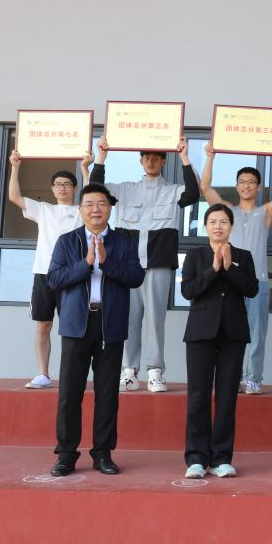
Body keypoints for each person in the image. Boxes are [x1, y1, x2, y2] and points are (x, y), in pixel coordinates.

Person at [46, 183, 145, 476]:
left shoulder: (124, 241)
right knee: (69, 394)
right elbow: (54, 279)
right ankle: (66, 454)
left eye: (101, 204)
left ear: (110, 208)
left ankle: (103, 453)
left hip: (110, 325)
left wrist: (107, 262)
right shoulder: (67, 241)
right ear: (81, 210)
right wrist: (87, 263)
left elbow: (136, 277)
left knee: (107, 395)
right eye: (89, 204)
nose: (95, 209)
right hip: (76, 325)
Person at [91, 136, 200, 393]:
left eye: (155, 158)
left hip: (158, 265)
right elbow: (96, 188)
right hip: (127, 267)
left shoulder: (173, 191)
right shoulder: (125, 189)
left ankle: (155, 371)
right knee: (128, 319)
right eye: (146, 158)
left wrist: (184, 157)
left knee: (156, 320)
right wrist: (102, 157)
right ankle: (129, 371)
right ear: (140, 161)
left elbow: (193, 193)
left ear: (163, 162)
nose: (150, 162)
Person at [201, 145, 272, 395]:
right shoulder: (227, 212)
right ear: (236, 186)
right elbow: (206, 188)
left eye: (251, 182)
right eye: (242, 182)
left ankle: (253, 379)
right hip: (228, 281)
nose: (246, 186)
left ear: (258, 187)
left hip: (257, 281)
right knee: (225, 331)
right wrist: (210, 157)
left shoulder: (265, 213)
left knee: (256, 333)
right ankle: (228, 378)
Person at [179, 204, 259, 479]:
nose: (218, 226)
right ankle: (196, 458)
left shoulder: (243, 256)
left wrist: (229, 267)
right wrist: (214, 269)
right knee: (198, 396)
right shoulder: (195, 255)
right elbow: (188, 290)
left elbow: (252, 289)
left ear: (231, 226)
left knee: (226, 398)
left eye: (223, 221)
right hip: (200, 333)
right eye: (213, 221)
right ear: (205, 226)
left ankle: (222, 458)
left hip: (233, 334)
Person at [7, 149, 91, 389]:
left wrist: (85, 169)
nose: (62, 188)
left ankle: (71, 375)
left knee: (72, 328)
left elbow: (90, 196)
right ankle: (43, 374)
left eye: (67, 184)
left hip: (72, 275)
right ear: (52, 189)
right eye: (58, 184)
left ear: (75, 188)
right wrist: (15, 166)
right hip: (44, 273)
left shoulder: (81, 211)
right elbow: (14, 196)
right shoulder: (43, 209)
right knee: (43, 325)